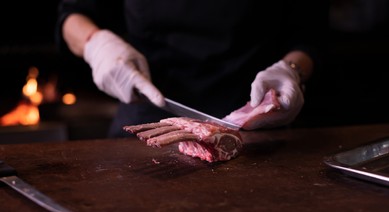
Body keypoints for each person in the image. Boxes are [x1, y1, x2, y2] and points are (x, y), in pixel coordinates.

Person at [56, 0, 328, 137]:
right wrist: (96, 44)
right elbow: (73, 15)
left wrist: (292, 69)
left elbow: (309, 33)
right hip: (149, 120)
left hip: (255, 124)